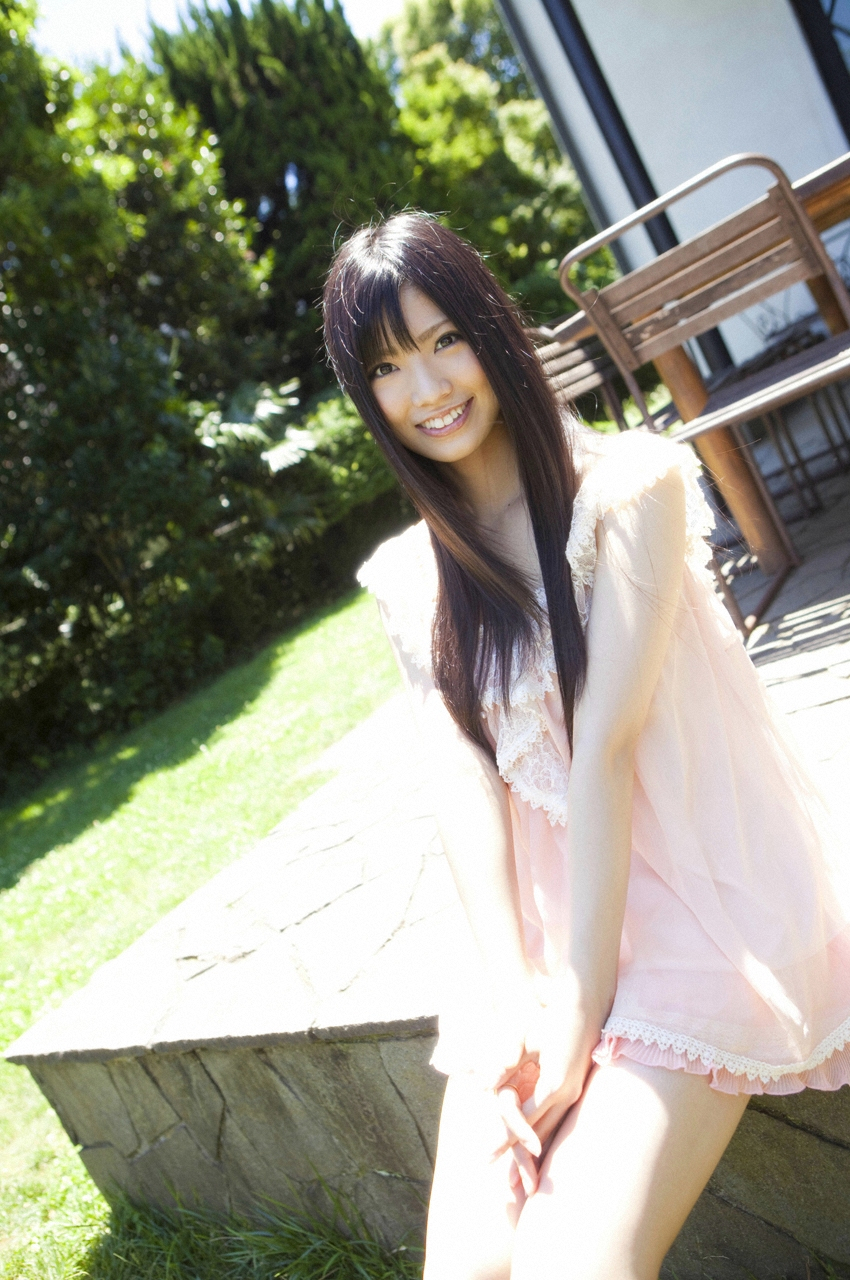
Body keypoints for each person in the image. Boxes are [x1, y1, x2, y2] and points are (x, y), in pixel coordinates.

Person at [322, 212, 850, 1280]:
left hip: (702, 904)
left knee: (574, 1261)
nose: (426, 387)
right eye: (386, 365)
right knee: (469, 1268)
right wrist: (515, 996)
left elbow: (604, 751)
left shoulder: (627, 489)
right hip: (546, 932)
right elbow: (465, 790)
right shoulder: (413, 576)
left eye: (444, 340)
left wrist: (576, 1014)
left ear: (490, 330)